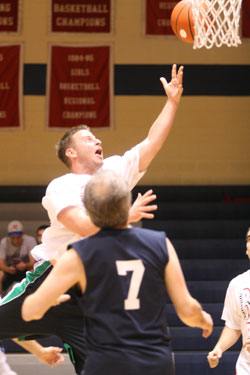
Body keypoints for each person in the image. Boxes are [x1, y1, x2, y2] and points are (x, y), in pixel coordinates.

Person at [0, 64, 184, 375]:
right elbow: (84, 226)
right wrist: (126, 215)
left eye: (97, 138)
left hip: (90, 294)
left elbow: (151, 143)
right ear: (71, 153)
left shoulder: (113, 172)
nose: (98, 141)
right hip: (51, 280)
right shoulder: (61, 186)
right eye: (89, 139)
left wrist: (172, 103)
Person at [22, 170, 213, 375]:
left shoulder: (78, 254)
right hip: (155, 362)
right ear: (127, 204)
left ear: (88, 209)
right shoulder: (160, 243)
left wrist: (49, 301)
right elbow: (187, 310)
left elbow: (29, 311)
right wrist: (203, 319)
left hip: (106, 364)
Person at [207, 227, 250, 375]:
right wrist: (219, 348)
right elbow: (233, 325)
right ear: (246, 250)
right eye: (249, 239)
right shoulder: (237, 284)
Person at [0, 221, 36, 296]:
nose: (15, 241)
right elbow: (1, 264)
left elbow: (33, 262)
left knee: (33, 271)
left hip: (25, 269)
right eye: (13, 238)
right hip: (9, 270)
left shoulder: (30, 240)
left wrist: (25, 265)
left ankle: (33, 296)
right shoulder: (4, 242)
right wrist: (8, 269)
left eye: (18, 237)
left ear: (23, 234)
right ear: (9, 236)